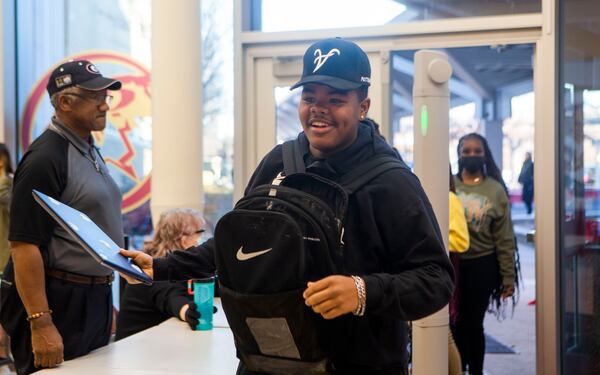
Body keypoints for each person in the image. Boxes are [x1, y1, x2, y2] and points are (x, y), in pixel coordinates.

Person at [121, 37, 454, 375]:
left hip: (356, 363)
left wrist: (362, 291)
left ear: (363, 107)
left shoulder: (391, 181)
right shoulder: (279, 161)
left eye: (336, 100)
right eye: (309, 98)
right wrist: (162, 268)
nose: (318, 109)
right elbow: (237, 243)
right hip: (267, 359)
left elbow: (436, 279)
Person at [0, 60, 123, 374]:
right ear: (66, 102)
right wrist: (41, 324)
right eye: (96, 96)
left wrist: (103, 296)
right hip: (59, 302)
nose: (104, 104)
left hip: (92, 297)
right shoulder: (46, 158)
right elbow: (23, 247)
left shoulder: (87, 148)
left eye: (106, 96)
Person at [451, 133, 517, 375]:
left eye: (476, 151)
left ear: (484, 153)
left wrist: (507, 278)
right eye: (465, 151)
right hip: (452, 265)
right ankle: (458, 369)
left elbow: (504, 238)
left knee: (473, 325)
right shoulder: (449, 185)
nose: (471, 155)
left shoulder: (495, 190)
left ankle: (475, 371)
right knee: (454, 325)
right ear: (458, 154)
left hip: (482, 266)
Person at [115, 208, 206, 340]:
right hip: (134, 352)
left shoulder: (158, 262)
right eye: (200, 233)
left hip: (152, 346)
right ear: (183, 238)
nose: (200, 241)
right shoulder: (157, 270)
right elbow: (171, 298)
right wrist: (188, 312)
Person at [448, 167, 469, 375]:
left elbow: (461, 241)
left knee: (444, 335)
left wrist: (428, 241)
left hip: (439, 273)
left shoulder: (450, 199)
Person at [0, 143, 13, 367]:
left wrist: (2, 178)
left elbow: (12, 205)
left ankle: (5, 350)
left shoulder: (10, 182)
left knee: (6, 306)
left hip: (6, 255)